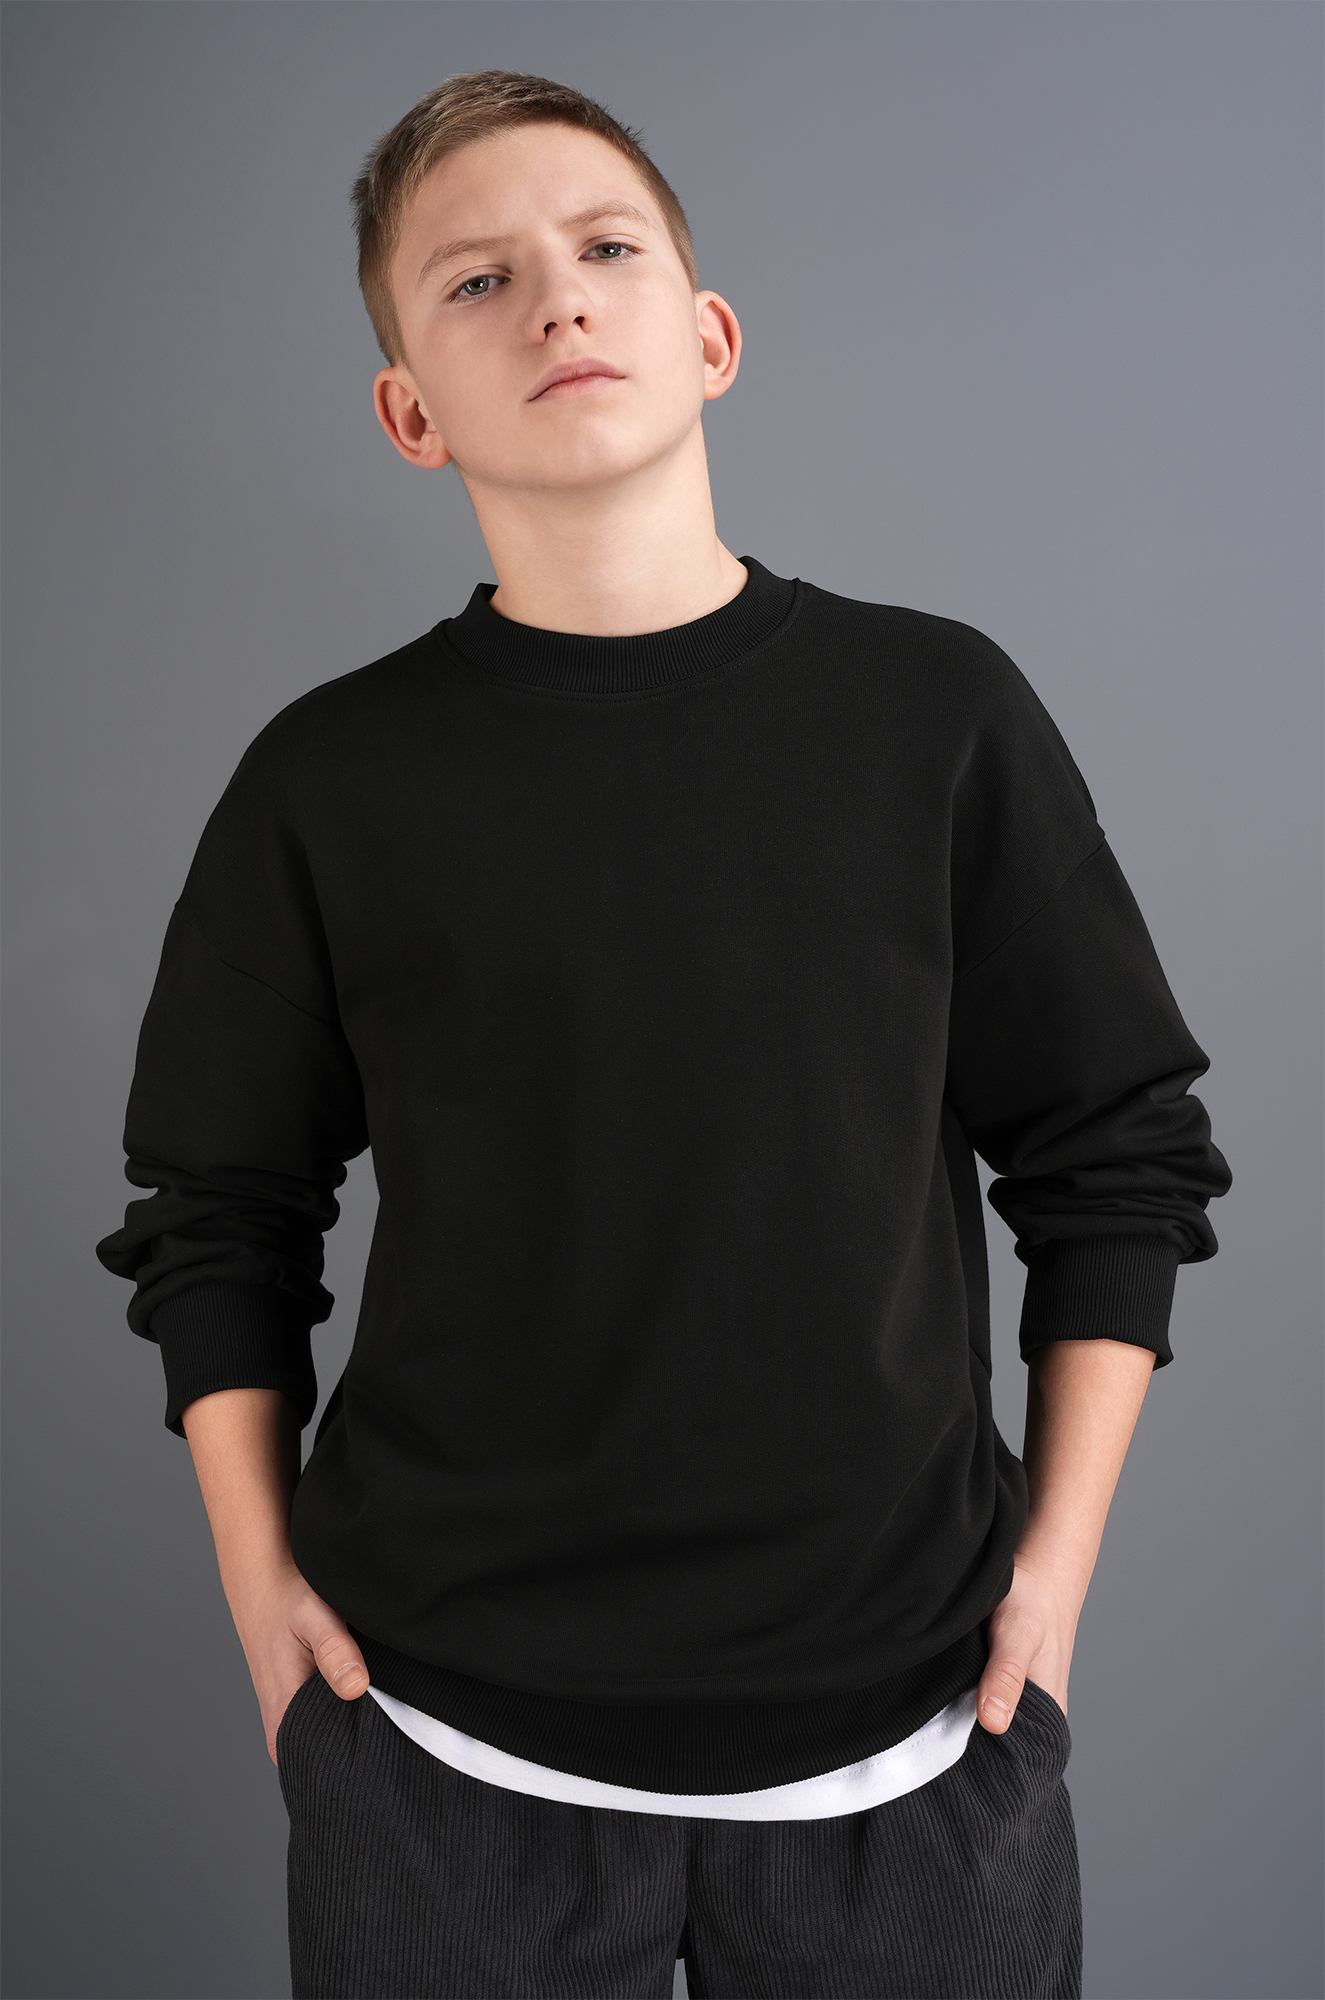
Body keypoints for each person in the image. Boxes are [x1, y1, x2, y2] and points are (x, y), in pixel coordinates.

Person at [95, 68, 1232, 2000]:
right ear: (409, 411)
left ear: (707, 337)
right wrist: (259, 1599)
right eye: (475, 280)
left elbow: (1115, 1147)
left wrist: (1054, 1577)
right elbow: (216, 1207)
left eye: (606, 248)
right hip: (439, 1750)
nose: (555, 296)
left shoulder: (934, 716)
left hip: (916, 1740)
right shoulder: (329, 780)